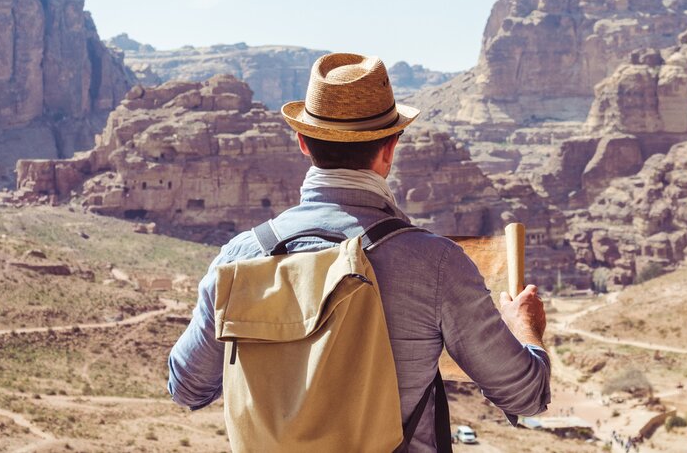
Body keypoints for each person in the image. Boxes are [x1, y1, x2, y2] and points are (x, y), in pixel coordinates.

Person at [168, 52, 550, 451]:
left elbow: (187, 389)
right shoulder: (435, 264)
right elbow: (526, 395)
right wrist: (524, 326)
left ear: (302, 142)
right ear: (390, 149)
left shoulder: (239, 257)